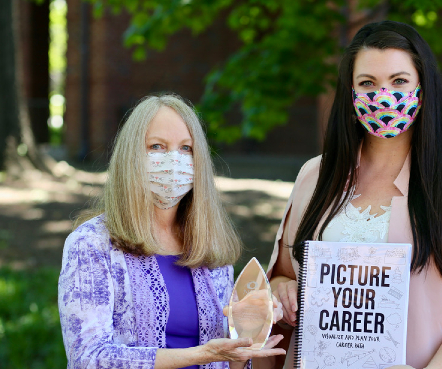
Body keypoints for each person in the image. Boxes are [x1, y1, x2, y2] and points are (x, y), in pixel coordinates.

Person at [266, 21, 442, 369]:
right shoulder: (314, 175)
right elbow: (283, 275)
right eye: (367, 83)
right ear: (350, 92)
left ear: (424, 88)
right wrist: (282, 288)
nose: (383, 95)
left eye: (399, 81)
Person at [58, 94, 285, 369]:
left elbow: (227, 360)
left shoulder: (210, 247)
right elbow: (88, 359)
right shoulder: (91, 243)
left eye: (186, 148)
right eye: (157, 146)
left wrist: (249, 333)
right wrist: (203, 354)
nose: (173, 161)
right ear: (131, 157)